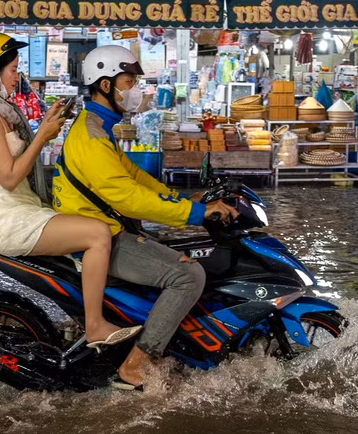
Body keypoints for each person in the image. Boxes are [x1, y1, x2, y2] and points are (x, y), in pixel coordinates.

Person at [52, 45, 238, 391]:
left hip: (107, 227)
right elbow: (128, 197)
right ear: (106, 85)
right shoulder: (92, 135)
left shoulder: (99, 127)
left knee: (183, 250)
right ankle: (137, 363)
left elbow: (134, 178)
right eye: (129, 80)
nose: (135, 89)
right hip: (102, 236)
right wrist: (194, 213)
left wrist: (184, 199)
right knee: (188, 275)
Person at [0, 33, 140, 349]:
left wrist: (45, 129)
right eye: (12, 69)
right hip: (4, 218)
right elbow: (8, 178)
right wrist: (42, 138)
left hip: (23, 209)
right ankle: (94, 327)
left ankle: (77, 320)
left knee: (89, 222)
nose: (17, 75)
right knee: (97, 234)